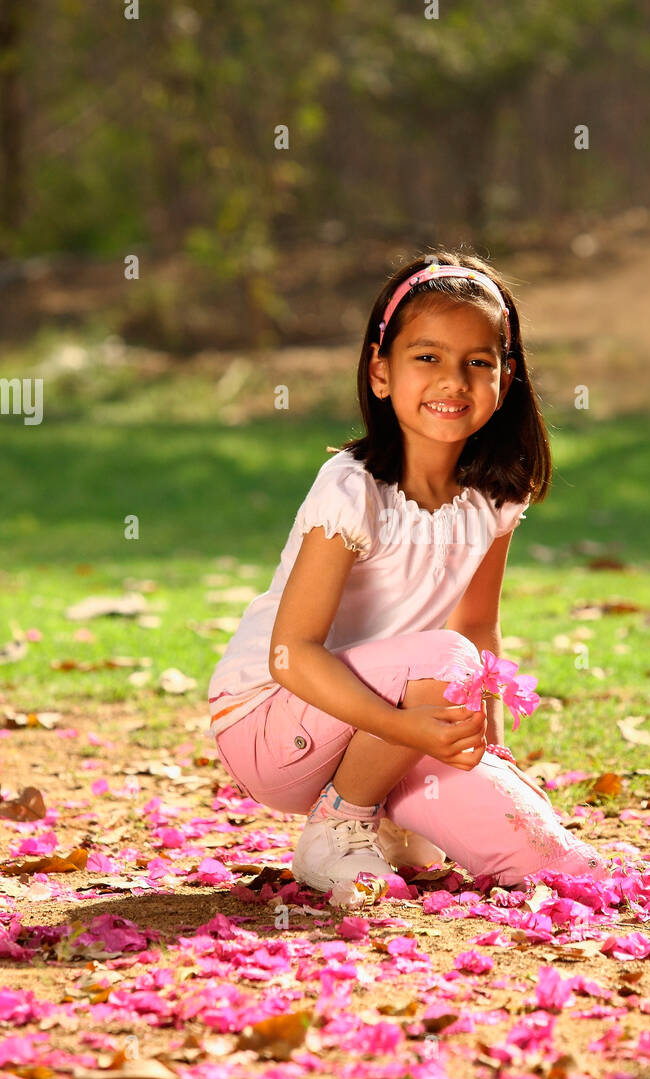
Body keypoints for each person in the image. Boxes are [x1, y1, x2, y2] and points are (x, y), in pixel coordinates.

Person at [208, 250, 604, 892]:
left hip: (387, 724)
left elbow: (478, 629)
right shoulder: (352, 489)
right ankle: (339, 825)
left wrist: (491, 747)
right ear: (380, 372)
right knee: (443, 657)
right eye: (428, 357)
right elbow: (290, 655)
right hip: (272, 722)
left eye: (479, 362)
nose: (454, 380)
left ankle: (385, 810)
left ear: (507, 380)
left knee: (545, 857)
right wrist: (406, 726)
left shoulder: (495, 498)